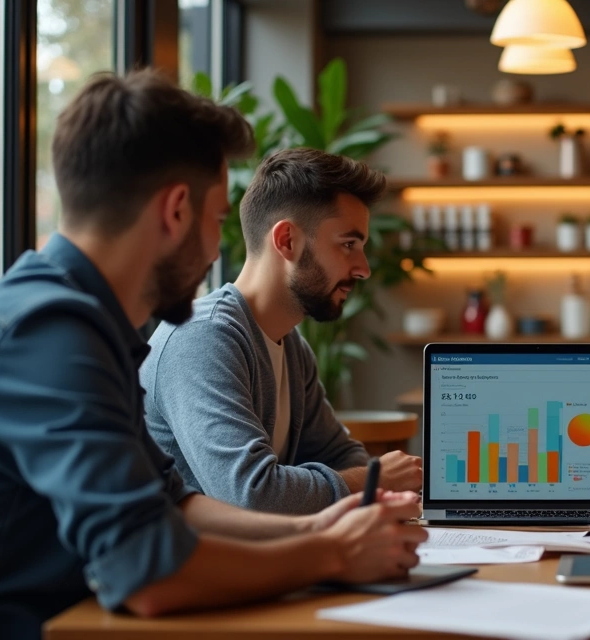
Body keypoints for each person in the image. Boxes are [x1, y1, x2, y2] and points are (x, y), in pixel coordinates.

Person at [0, 70, 426, 640]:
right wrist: (330, 555)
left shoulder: (78, 319)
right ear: (176, 210)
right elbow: (148, 574)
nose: (215, 252)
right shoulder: (48, 332)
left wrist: (318, 530)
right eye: (217, 222)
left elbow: (177, 506)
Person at [141, 147, 422, 515]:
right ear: (287, 240)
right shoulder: (201, 339)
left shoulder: (289, 344)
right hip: (197, 569)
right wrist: (373, 482)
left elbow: (338, 454)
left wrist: (374, 489)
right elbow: (253, 494)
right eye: (348, 245)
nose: (363, 268)